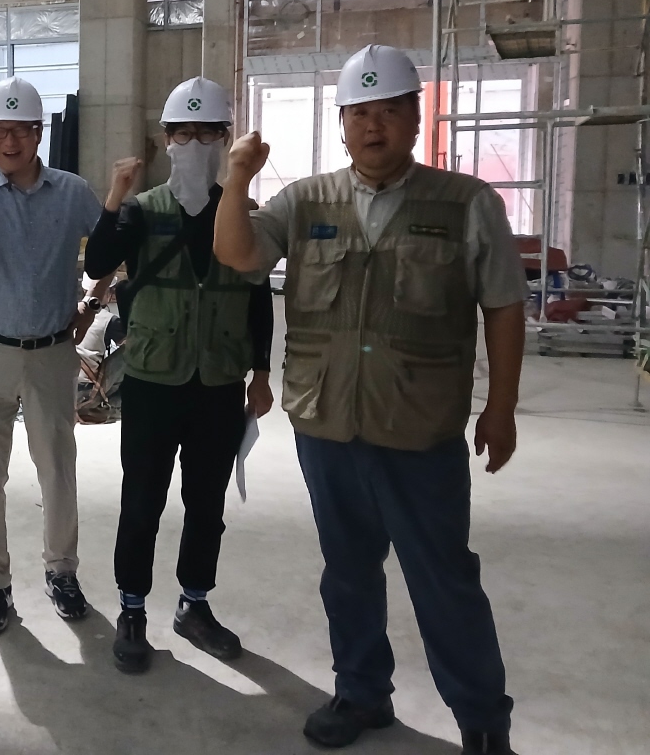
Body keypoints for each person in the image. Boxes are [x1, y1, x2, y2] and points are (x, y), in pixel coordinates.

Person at [213, 45, 525, 755]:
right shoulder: (304, 201)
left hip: (419, 427)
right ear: (343, 123)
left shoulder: (466, 203)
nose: (374, 126)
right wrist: (237, 178)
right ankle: (361, 692)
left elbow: (505, 305)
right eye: (360, 114)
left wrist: (501, 406)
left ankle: (482, 720)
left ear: (416, 118)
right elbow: (237, 254)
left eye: (389, 111)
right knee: (348, 573)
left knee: (443, 578)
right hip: (327, 423)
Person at [84, 76, 275, 675]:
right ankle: (132, 610)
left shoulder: (240, 214)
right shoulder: (142, 211)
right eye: (182, 134)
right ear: (166, 140)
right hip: (151, 381)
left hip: (218, 381)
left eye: (207, 134)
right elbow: (96, 263)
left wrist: (262, 372)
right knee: (141, 500)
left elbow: (258, 296)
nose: (194, 145)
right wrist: (115, 197)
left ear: (225, 139)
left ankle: (195, 604)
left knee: (206, 503)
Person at [0, 75, 108, 636]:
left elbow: (111, 246)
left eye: (20, 130)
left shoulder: (72, 192)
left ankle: (62, 572)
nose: (9, 141)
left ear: (39, 133)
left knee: (57, 469)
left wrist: (92, 302)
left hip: (50, 353)